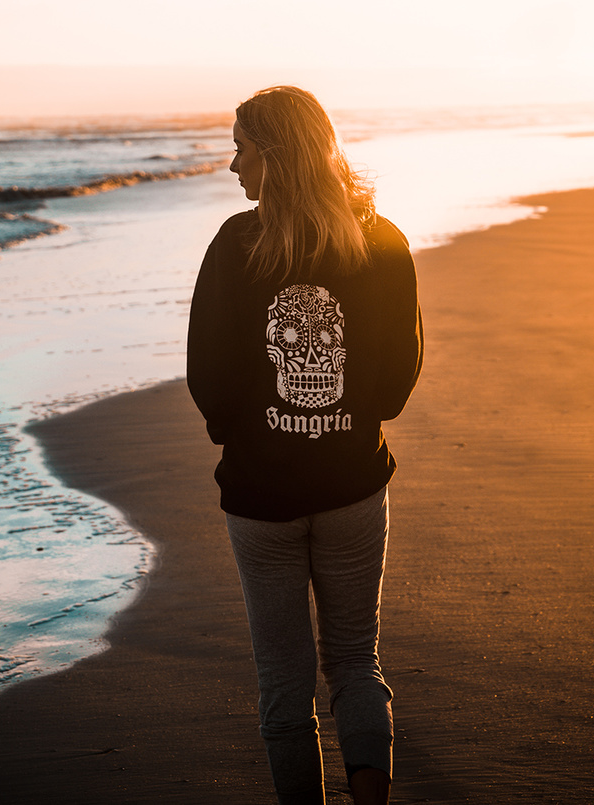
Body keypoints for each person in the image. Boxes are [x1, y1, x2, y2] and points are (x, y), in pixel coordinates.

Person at [187, 86, 423, 805]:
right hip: (353, 484)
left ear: (275, 154)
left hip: (261, 500)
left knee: (283, 684)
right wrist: (346, 421)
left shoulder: (235, 244)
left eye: (241, 147)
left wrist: (249, 436)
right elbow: (394, 381)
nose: (232, 165)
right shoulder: (381, 243)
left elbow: (208, 372)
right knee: (355, 663)